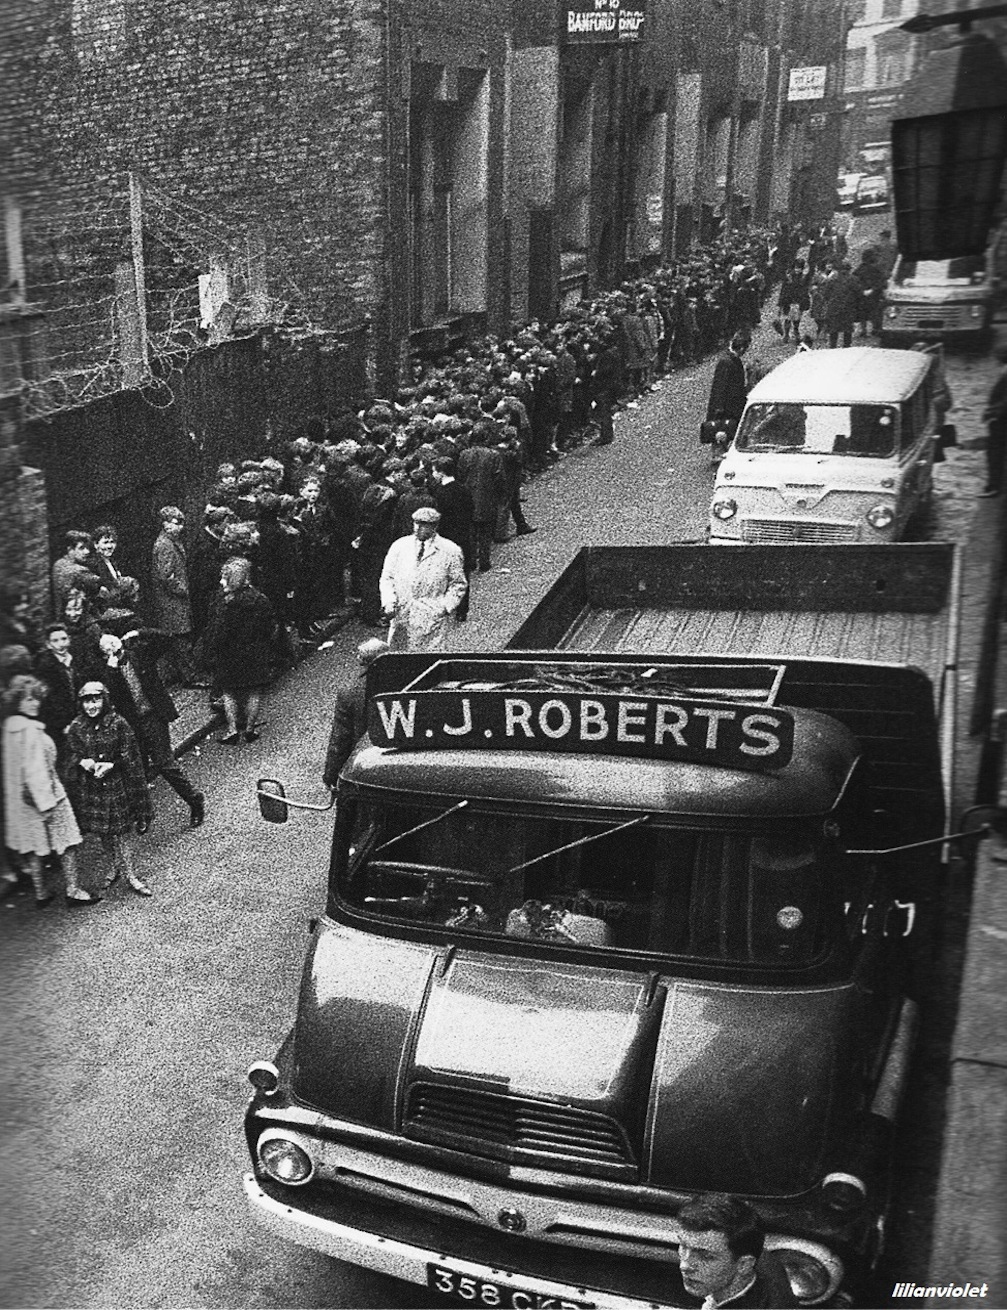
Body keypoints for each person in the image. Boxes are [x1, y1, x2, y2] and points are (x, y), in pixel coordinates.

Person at [2, 675, 98, 907]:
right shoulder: (31, 732)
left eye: (36, 698)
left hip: (22, 801)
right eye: (29, 699)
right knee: (68, 840)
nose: (35, 703)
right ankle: (74, 890)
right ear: (17, 702)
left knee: (34, 847)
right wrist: (47, 804)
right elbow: (37, 771)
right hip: (48, 795)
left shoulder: (9, 730)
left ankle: (41, 893)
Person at [98, 631, 205, 828]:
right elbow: (109, 696)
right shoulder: (108, 671)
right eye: (108, 652)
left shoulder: (140, 654)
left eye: (116, 649)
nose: (115, 655)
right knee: (137, 769)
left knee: (164, 762)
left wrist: (141, 632)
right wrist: (111, 670)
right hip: (132, 723)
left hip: (154, 716)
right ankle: (143, 814)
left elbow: (166, 639)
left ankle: (194, 800)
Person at [64, 680, 154, 897]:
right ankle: (113, 867)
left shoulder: (118, 723)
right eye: (87, 702)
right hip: (92, 789)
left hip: (116, 787)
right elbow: (70, 753)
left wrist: (113, 764)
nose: (91, 706)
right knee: (103, 833)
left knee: (122, 833)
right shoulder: (77, 727)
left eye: (96, 700)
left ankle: (131, 875)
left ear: (104, 700)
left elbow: (131, 753)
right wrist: (81, 761)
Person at [204, 555, 278, 744]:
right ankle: (250, 729)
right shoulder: (260, 600)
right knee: (254, 691)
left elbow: (218, 631)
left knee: (229, 692)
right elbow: (270, 626)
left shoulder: (225, 603)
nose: (221, 582)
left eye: (224, 578)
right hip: (255, 651)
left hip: (230, 653)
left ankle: (232, 730)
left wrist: (213, 650)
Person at [676, 1193, 797, 1308]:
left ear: (744, 1265)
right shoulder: (754, 1253)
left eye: (705, 1256)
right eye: (683, 1246)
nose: (684, 1265)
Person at [379, 506, 468, 651]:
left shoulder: (450, 551)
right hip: (403, 614)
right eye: (416, 523)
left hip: (431, 617)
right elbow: (387, 577)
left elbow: (458, 584)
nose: (418, 528)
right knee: (399, 661)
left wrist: (444, 607)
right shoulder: (399, 546)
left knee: (429, 661)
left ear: (434, 526)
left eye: (424, 525)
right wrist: (389, 601)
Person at [322, 637, 388, 790]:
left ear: (361, 661)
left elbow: (340, 739)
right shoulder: (406, 683)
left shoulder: (350, 692)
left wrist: (331, 775)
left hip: (365, 762)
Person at [150, 505, 196, 685]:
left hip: (173, 600)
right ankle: (189, 677)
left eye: (181, 523)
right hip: (172, 601)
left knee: (180, 638)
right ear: (165, 524)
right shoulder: (165, 545)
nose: (180, 527)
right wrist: (183, 589)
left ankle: (183, 674)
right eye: (176, 523)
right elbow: (166, 576)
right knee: (181, 638)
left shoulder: (170, 541)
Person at [33, 621, 81, 769]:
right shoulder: (45, 667)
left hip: (79, 717)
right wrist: (63, 724)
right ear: (48, 644)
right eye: (55, 641)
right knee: (65, 762)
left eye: (64, 639)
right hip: (59, 725)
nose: (61, 644)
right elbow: (48, 701)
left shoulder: (76, 660)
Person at [706, 332, 750, 436]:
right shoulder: (726, 362)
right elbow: (719, 388)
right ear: (742, 348)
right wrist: (719, 409)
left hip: (731, 408)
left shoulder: (730, 360)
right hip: (726, 410)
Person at [51, 530, 104, 614]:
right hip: (79, 618)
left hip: (62, 615)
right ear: (70, 549)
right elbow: (105, 584)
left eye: (87, 547)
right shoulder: (79, 571)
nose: (87, 552)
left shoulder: (58, 564)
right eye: (81, 548)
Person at [980, 341, 1007, 498]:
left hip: (1001, 420)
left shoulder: (1005, 374)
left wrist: (992, 413)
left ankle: (994, 487)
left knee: (995, 452)